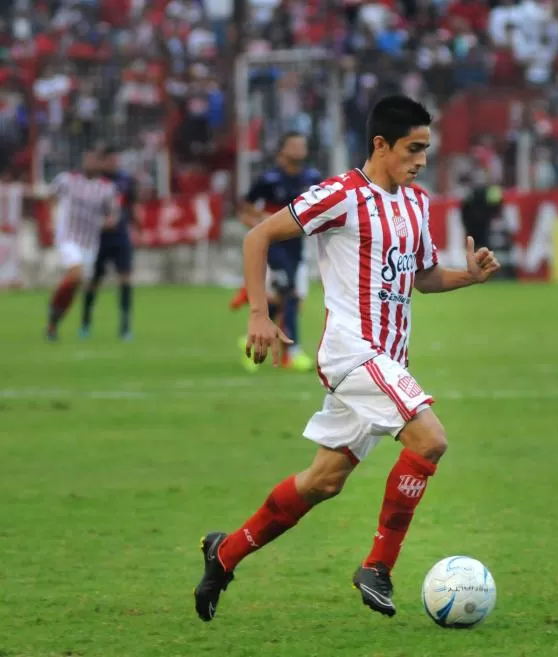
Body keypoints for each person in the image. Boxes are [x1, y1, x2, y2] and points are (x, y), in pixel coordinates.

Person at [193, 95, 500, 622]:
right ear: (381, 144)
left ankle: (225, 553)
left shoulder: (416, 203)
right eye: (413, 148)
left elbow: (422, 278)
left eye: (426, 149)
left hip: (388, 361)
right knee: (432, 439)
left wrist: (467, 275)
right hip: (352, 354)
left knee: (322, 482)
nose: (421, 160)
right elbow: (258, 235)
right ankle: (378, 566)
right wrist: (259, 315)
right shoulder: (340, 195)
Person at [231, 132, 319, 372]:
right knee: (287, 292)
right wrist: (263, 225)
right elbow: (245, 210)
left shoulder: (312, 178)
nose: (299, 150)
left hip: (297, 248)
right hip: (273, 248)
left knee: (289, 299)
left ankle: (252, 339)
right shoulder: (269, 180)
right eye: (294, 146)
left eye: (302, 145)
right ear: (281, 150)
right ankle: (293, 351)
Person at [46, 150, 120, 341]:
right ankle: (53, 310)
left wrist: (109, 222)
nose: (91, 163)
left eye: (95, 160)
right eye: (88, 159)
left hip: (90, 243)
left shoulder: (106, 188)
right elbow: (51, 197)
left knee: (75, 284)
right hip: (69, 238)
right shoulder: (66, 180)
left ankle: (54, 321)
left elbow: (112, 214)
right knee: (76, 275)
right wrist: (51, 220)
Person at [79, 144, 138, 340]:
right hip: (97, 238)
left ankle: (125, 327)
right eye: (110, 160)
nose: (114, 163)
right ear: (102, 161)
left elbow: (133, 206)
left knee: (125, 279)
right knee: (93, 282)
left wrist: (134, 226)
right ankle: (85, 324)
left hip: (120, 237)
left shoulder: (126, 180)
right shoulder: (94, 181)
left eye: (116, 159)